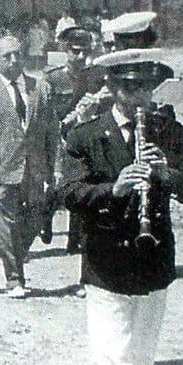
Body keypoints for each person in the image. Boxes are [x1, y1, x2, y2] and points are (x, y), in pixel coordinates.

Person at [58, 48, 183, 365]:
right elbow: (68, 194)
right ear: (111, 86)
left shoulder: (169, 131)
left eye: (146, 88)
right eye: (130, 88)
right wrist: (114, 189)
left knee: (141, 356)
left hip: (154, 256)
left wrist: (167, 174)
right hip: (106, 257)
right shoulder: (86, 135)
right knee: (112, 357)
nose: (140, 98)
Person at [0, 35, 59, 297]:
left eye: (18, 54)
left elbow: (52, 130)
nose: (14, 60)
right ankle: (15, 279)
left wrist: (56, 167)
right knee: (6, 222)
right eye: (7, 56)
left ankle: (17, 252)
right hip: (0, 168)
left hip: (33, 168)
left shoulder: (39, 88)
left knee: (37, 215)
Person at [44, 26, 105, 253]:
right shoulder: (53, 78)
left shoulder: (95, 76)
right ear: (66, 51)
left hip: (83, 139)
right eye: (76, 51)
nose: (81, 57)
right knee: (57, 187)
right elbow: (45, 114)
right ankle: (45, 216)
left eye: (85, 52)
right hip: (60, 140)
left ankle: (74, 240)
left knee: (80, 184)